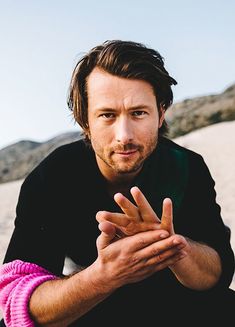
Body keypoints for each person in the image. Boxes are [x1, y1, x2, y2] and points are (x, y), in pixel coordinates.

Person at [0, 40, 234, 326]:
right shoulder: (52, 178)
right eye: (107, 115)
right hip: (90, 307)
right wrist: (104, 276)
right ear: (84, 120)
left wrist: (176, 248)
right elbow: (15, 302)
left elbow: (217, 275)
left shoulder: (186, 167)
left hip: (176, 305)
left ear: (160, 114)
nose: (124, 135)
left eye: (138, 113)